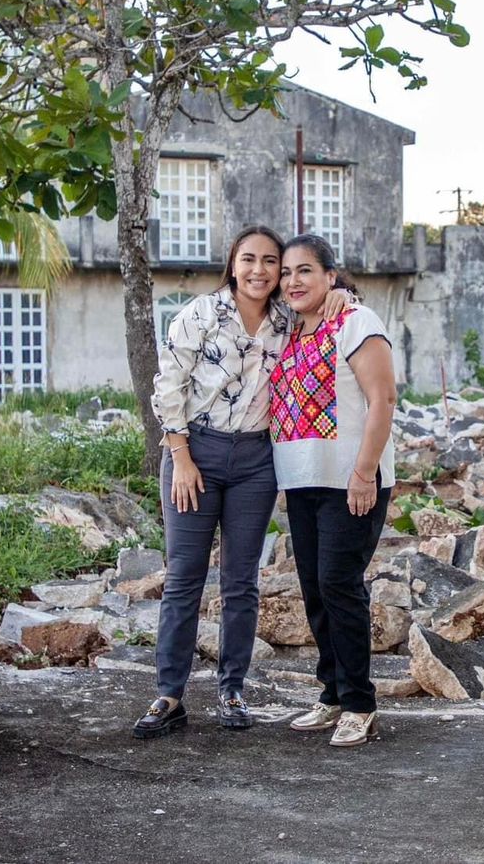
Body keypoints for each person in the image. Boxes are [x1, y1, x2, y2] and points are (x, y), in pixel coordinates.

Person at [133, 225, 349, 739]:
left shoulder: (287, 320)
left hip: (256, 460)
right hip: (194, 455)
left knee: (240, 582)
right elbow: (168, 387)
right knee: (184, 577)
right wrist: (181, 456)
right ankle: (169, 694)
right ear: (232, 263)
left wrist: (341, 292)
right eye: (248, 259)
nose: (260, 270)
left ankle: (232, 689)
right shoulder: (200, 314)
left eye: (271, 261)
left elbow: (327, 300)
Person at [270, 233, 397, 748]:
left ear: (330, 276)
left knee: (340, 585)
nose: (292, 281)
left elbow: (383, 399)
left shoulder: (357, 322)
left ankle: (360, 704)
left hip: (351, 480)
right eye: (286, 273)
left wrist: (365, 472)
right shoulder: (290, 332)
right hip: (302, 481)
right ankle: (332, 694)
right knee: (316, 590)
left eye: (305, 271)